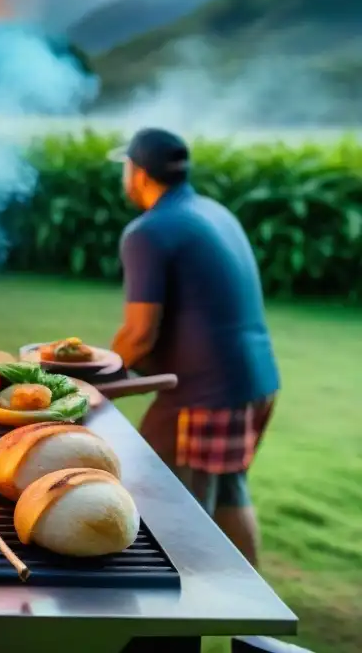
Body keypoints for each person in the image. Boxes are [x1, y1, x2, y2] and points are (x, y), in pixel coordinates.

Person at [107, 128, 279, 567]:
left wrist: (99, 371)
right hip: (255, 383)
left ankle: (173, 619)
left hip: (204, 396)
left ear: (139, 173)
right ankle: (249, 612)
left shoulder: (148, 231)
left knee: (152, 500)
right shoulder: (214, 211)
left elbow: (140, 333)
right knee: (228, 492)